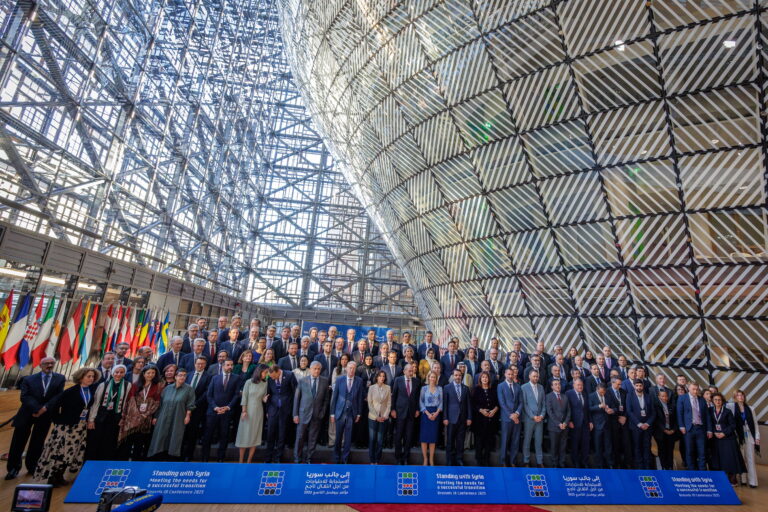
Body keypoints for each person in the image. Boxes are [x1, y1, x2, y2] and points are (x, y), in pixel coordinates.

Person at [33, 367, 98, 486]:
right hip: (66, 426)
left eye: (93, 376)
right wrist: (58, 421)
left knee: (71, 452)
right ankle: (52, 476)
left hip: (80, 427)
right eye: (88, 376)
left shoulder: (91, 391)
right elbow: (55, 406)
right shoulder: (70, 391)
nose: (91, 378)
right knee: (59, 451)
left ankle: (60, 475)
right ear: (81, 377)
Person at [5, 357, 65, 480]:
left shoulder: (60, 378)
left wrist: (45, 408)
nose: (49, 365)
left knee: (38, 442)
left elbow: (58, 395)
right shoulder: (28, 379)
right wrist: (37, 409)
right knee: (18, 442)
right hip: (27, 413)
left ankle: (32, 466)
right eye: (46, 363)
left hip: (45, 415)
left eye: (52, 363)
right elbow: (24, 396)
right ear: (40, 365)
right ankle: (13, 468)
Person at [147, 368, 195, 460]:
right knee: (161, 435)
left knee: (175, 435)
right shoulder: (167, 389)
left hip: (178, 416)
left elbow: (190, 404)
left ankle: (172, 457)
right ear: (175, 377)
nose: (182, 377)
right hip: (163, 415)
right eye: (180, 375)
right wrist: (156, 417)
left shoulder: (189, 389)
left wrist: (188, 416)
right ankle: (159, 455)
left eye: (184, 375)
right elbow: (160, 404)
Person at [87, 364, 131, 460]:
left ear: (124, 374)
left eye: (121, 372)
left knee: (111, 440)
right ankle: (94, 461)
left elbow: (127, 403)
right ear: (112, 373)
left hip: (116, 417)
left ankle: (106, 460)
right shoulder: (103, 385)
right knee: (97, 439)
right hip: (101, 417)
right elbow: (96, 403)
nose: (118, 374)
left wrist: (123, 418)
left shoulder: (128, 385)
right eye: (116, 372)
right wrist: (91, 419)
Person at [118, 365, 161, 460]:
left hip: (145, 420)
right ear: (143, 374)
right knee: (128, 442)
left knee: (140, 443)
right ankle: (124, 462)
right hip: (132, 419)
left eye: (153, 373)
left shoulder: (157, 387)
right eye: (148, 373)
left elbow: (157, 403)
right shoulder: (135, 385)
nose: (150, 375)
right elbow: (130, 401)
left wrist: (145, 414)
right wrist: (137, 415)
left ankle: (136, 463)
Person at [201, 359, 241, 462]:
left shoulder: (236, 378)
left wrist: (228, 407)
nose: (230, 367)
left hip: (227, 412)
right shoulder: (215, 378)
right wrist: (215, 407)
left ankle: (220, 458)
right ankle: (205, 457)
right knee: (208, 435)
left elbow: (236, 395)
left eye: (231, 365)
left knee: (224, 435)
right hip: (213, 411)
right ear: (223, 366)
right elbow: (209, 395)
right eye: (228, 365)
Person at [293, 362, 330, 464]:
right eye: (315, 369)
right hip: (303, 414)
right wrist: (295, 414)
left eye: (318, 369)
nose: (317, 371)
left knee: (312, 439)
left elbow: (326, 399)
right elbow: (297, 398)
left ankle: (308, 459)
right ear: (310, 369)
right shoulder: (302, 380)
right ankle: (297, 459)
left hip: (317, 415)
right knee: (300, 437)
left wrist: (322, 412)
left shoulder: (325, 381)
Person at [330, 361, 363, 464]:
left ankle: (345, 459)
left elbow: (360, 398)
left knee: (348, 439)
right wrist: (332, 413)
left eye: (353, 368)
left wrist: (359, 413)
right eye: (350, 368)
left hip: (351, 413)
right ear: (347, 369)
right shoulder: (340, 380)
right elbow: (335, 397)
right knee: (338, 437)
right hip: (340, 412)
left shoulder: (359, 381)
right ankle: (336, 458)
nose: (351, 370)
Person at [236, 364, 269, 463]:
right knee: (244, 436)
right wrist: (244, 411)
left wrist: (264, 399)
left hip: (258, 412)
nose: (266, 374)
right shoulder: (249, 382)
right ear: (259, 371)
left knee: (255, 436)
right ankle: (240, 461)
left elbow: (263, 398)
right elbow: (244, 397)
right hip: (247, 412)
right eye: (265, 372)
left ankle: (249, 461)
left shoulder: (265, 383)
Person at [710, 393, 746, 484]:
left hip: (728, 438)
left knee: (730, 459)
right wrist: (714, 432)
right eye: (715, 400)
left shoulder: (727, 411)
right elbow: (709, 423)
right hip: (715, 438)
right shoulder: (710, 410)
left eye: (719, 400)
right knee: (718, 459)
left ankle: (732, 478)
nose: (718, 401)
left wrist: (724, 433)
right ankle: (720, 478)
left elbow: (733, 425)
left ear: (722, 401)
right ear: (712, 401)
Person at [265, 365, 297, 463]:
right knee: (270, 434)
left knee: (281, 435)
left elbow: (295, 392)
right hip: (273, 410)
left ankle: (278, 457)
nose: (272, 378)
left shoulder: (290, 375)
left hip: (286, 410)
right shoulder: (270, 379)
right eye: (270, 377)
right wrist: (267, 410)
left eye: (273, 376)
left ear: (278, 371)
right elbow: (268, 394)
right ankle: (268, 457)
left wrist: (293, 410)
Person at [677, 382, 712, 471]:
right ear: (688, 388)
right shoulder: (682, 398)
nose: (695, 391)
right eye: (693, 389)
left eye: (697, 389)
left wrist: (709, 430)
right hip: (689, 429)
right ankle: (692, 472)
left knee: (702, 452)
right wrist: (681, 426)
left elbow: (707, 415)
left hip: (701, 429)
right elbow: (679, 413)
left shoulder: (702, 399)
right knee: (690, 451)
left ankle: (702, 472)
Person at [728, 389, 759, 487]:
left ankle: (753, 482)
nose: (740, 397)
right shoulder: (731, 407)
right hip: (738, 437)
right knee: (741, 458)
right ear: (735, 397)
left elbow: (755, 424)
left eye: (742, 395)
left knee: (751, 459)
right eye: (738, 395)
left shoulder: (750, 408)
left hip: (749, 436)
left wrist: (757, 437)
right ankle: (743, 479)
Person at [182, 357, 211, 461]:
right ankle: (179, 454)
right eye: (198, 363)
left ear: (205, 365)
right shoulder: (188, 375)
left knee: (192, 433)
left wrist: (194, 404)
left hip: (197, 409)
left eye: (202, 364)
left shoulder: (209, 377)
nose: (200, 365)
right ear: (195, 364)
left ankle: (188, 455)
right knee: (182, 432)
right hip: (183, 408)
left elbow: (207, 393)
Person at [391, 363, 420, 465]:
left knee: (408, 437)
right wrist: (393, 409)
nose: (411, 372)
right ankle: (398, 458)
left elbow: (417, 397)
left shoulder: (416, 381)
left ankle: (406, 457)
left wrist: (417, 409)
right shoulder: (398, 380)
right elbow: (394, 396)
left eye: (412, 371)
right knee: (398, 436)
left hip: (411, 413)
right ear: (404, 371)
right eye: (409, 371)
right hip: (399, 412)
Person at [443, 368, 472, 466]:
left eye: (459, 375)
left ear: (461, 376)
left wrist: (469, 418)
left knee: (460, 441)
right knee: (450, 441)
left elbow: (469, 404)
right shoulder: (447, 387)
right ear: (453, 376)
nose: (458, 377)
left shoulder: (466, 388)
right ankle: (449, 460)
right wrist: (445, 418)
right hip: (451, 419)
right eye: (456, 375)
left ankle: (459, 459)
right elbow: (445, 404)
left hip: (463, 419)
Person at [471, 371, 499, 466]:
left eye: (486, 377)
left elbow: (497, 403)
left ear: (489, 379)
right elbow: (473, 404)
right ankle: (479, 460)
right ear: (480, 379)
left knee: (488, 441)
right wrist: (481, 410)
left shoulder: (493, 389)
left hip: (491, 419)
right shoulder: (476, 389)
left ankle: (486, 460)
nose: (485, 379)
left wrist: (494, 410)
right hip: (479, 420)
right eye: (483, 377)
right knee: (479, 441)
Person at [627, 378, 655, 469]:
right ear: (634, 386)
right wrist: (639, 424)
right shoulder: (629, 396)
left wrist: (647, 424)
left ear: (643, 386)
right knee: (637, 446)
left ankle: (647, 466)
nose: (639, 387)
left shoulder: (648, 396)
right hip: (636, 427)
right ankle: (639, 467)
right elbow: (629, 411)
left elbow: (653, 412)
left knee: (647, 446)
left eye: (640, 385)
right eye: (637, 385)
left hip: (647, 427)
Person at [521, 369, 546, 468]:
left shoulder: (541, 387)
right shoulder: (524, 387)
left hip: (540, 419)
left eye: (537, 376)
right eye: (534, 376)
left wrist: (542, 415)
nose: (536, 378)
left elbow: (544, 403)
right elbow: (524, 404)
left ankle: (540, 461)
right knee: (527, 440)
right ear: (529, 376)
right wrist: (532, 416)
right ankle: (526, 461)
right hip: (529, 419)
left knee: (539, 441)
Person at [498, 366, 522, 467]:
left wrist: (517, 413)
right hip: (506, 418)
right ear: (505, 374)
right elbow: (502, 403)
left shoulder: (518, 386)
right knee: (505, 440)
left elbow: (521, 402)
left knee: (515, 441)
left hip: (517, 418)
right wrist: (511, 415)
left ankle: (513, 461)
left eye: (512, 374)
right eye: (509, 374)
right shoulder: (501, 386)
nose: (510, 376)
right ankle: (503, 461)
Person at [566, 378, 591, 468]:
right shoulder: (569, 393)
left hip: (585, 423)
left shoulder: (585, 393)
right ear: (573, 385)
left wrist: (590, 421)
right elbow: (567, 408)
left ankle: (585, 462)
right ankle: (575, 462)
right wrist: (569, 421)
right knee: (575, 444)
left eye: (581, 385)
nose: (580, 386)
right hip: (574, 423)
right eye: (578, 385)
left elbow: (587, 409)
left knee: (585, 444)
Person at [367, 370, 391, 464]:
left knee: (380, 440)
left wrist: (385, 416)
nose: (382, 378)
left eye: (383, 376)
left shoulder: (388, 388)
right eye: (380, 376)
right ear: (377, 377)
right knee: (372, 439)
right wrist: (376, 416)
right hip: (373, 417)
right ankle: (371, 460)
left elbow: (389, 404)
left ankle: (377, 460)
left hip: (383, 418)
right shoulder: (371, 388)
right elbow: (370, 403)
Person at [589, 383, 615, 468]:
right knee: (598, 446)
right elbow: (589, 409)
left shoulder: (608, 396)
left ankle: (610, 464)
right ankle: (599, 465)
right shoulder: (591, 396)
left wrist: (611, 410)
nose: (602, 394)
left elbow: (614, 407)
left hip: (607, 424)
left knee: (608, 446)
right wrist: (599, 406)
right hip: (597, 425)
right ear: (597, 390)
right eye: (601, 392)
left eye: (604, 392)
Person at [419, 371, 442, 466]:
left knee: (433, 438)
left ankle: (431, 460)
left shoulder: (440, 388)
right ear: (428, 378)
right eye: (431, 377)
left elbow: (441, 402)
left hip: (436, 413)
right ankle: (425, 459)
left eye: (434, 377)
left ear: (436, 379)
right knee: (424, 438)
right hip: (426, 414)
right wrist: (428, 414)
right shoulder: (424, 388)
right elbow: (421, 402)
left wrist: (436, 413)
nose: (432, 379)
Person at [546, 378, 570, 467]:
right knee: (554, 446)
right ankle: (554, 464)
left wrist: (565, 423)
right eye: (555, 384)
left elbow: (569, 411)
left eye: (559, 384)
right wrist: (559, 423)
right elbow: (550, 412)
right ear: (552, 387)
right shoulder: (548, 396)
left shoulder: (565, 396)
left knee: (563, 446)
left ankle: (562, 463)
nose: (558, 386)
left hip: (564, 426)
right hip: (554, 426)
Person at [653, 389, 678, 470]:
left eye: (666, 396)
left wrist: (673, 430)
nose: (664, 398)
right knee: (662, 450)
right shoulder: (656, 406)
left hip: (671, 432)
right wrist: (664, 430)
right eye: (662, 396)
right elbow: (656, 420)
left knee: (670, 451)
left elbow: (676, 419)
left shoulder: (672, 406)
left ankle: (670, 467)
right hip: (661, 432)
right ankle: (663, 467)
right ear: (659, 396)